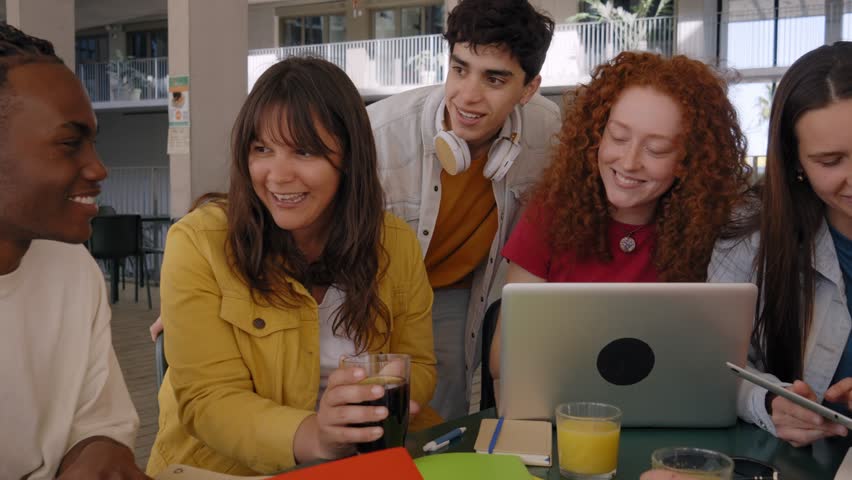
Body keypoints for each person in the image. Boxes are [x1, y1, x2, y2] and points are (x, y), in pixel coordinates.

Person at [145, 57, 437, 476]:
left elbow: (420, 363)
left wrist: (379, 390)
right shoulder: (198, 243)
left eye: (304, 150)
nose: (277, 176)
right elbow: (207, 399)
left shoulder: (394, 243)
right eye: (262, 149)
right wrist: (316, 434)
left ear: (350, 158)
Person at [490, 51, 752, 380]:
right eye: (618, 137)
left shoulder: (712, 233)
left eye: (656, 149)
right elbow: (503, 361)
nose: (629, 162)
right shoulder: (549, 216)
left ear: (690, 160)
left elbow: (721, 367)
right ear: (596, 134)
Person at [366, 0, 561, 421]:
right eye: (459, 69)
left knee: (440, 416)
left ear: (528, 89)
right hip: (374, 292)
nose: (468, 96)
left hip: (457, 292)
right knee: (371, 416)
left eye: (494, 78)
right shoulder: (379, 136)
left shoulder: (548, 132)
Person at [0, 24, 147, 479]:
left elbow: (99, 419)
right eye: (69, 144)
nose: (98, 167)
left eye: (93, 141)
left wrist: (98, 449)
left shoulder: (71, 269)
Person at [708, 41, 852, 447]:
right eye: (830, 161)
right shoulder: (749, 235)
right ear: (796, 164)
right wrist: (770, 402)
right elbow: (717, 364)